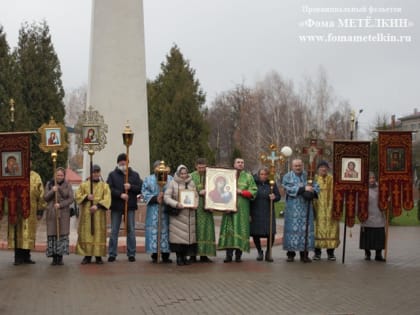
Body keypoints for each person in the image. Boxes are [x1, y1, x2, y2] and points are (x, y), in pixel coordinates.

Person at [218, 158, 257, 263]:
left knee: (241, 230)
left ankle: (238, 255)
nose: (240, 164)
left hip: (242, 210)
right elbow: (219, 190)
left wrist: (242, 192)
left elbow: (253, 191)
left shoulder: (248, 177)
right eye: (238, 162)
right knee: (229, 231)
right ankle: (228, 255)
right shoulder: (227, 176)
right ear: (234, 164)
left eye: (242, 162)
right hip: (229, 209)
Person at [8, 164, 47, 265]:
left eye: (29, 161)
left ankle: (26, 256)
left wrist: (40, 210)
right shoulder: (16, 175)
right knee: (18, 232)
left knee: (29, 233)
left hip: (31, 210)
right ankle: (18, 257)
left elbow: (41, 193)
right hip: (17, 209)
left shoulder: (36, 176)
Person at [106, 153, 142, 262]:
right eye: (120, 161)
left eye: (124, 161)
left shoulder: (134, 175)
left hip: (129, 206)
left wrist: (130, 187)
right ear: (118, 163)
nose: (122, 163)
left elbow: (140, 188)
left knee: (131, 229)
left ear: (127, 162)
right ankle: (112, 253)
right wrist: (120, 194)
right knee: (114, 231)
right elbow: (109, 189)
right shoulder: (112, 175)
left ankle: (131, 253)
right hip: (116, 206)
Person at [282, 159, 319, 263]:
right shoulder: (287, 176)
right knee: (291, 230)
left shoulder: (309, 175)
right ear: (292, 166)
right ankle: (290, 254)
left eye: (299, 165)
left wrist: (313, 191)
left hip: (306, 208)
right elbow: (287, 187)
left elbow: (316, 186)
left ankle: (304, 254)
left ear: (302, 165)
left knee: (305, 230)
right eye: (296, 166)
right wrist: (303, 189)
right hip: (293, 208)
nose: (298, 167)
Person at [75, 164, 111, 264]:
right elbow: (77, 196)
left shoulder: (105, 186)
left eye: (97, 172)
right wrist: (86, 197)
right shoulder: (84, 184)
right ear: (91, 173)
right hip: (87, 214)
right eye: (94, 172)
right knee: (87, 234)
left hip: (99, 215)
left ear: (100, 173)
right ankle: (87, 256)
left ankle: (98, 256)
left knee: (98, 234)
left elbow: (107, 199)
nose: (95, 174)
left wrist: (97, 206)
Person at [164, 165, 198, 266]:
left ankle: (185, 257)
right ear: (178, 173)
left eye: (185, 173)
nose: (183, 175)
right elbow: (167, 197)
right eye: (181, 173)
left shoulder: (191, 183)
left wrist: (195, 204)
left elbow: (195, 196)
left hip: (189, 215)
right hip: (178, 215)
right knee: (178, 237)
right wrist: (176, 204)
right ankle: (179, 257)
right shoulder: (172, 183)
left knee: (187, 237)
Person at [142, 160, 172, 263]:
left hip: (166, 209)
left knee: (165, 231)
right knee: (154, 230)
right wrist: (155, 198)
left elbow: (174, 191)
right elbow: (144, 192)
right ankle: (155, 254)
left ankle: (165, 254)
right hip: (153, 209)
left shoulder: (170, 179)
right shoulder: (148, 179)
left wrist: (166, 197)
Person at [43, 167, 74, 265]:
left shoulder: (68, 185)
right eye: (58, 175)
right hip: (52, 213)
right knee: (53, 234)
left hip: (63, 213)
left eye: (61, 175)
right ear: (54, 175)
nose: (59, 177)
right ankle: (54, 257)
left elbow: (70, 199)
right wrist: (53, 190)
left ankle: (60, 257)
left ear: (64, 176)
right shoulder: (49, 184)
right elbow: (45, 197)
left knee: (62, 235)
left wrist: (60, 205)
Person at [250, 167, 281, 262]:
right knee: (255, 233)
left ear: (268, 176)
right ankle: (260, 251)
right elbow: (250, 197)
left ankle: (268, 252)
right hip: (256, 211)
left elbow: (278, 196)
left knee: (270, 233)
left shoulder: (271, 184)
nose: (263, 176)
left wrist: (274, 197)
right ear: (258, 175)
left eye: (265, 174)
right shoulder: (253, 183)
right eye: (261, 174)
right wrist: (249, 213)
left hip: (268, 212)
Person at [190, 158, 216, 263]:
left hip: (207, 208)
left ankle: (204, 255)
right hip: (195, 208)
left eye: (204, 167)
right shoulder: (191, 176)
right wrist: (198, 192)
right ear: (196, 166)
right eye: (200, 167)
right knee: (194, 231)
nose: (202, 169)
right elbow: (185, 190)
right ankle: (192, 255)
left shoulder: (211, 176)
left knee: (206, 231)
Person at [312, 160, 340, 261]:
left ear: (328, 169)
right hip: (317, 208)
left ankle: (330, 253)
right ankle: (317, 253)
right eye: (321, 167)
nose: (323, 169)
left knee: (331, 230)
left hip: (330, 209)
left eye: (325, 167)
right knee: (316, 229)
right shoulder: (313, 179)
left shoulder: (333, 179)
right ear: (318, 169)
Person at [359, 172, 386, 262]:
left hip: (378, 215)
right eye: (370, 178)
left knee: (379, 235)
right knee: (367, 236)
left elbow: (385, 197)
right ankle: (367, 254)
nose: (372, 180)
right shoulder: (363, 189)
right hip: (367, 216)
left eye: (373, 178)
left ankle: (378, 254)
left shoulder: (381, 188)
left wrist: (387, 199)